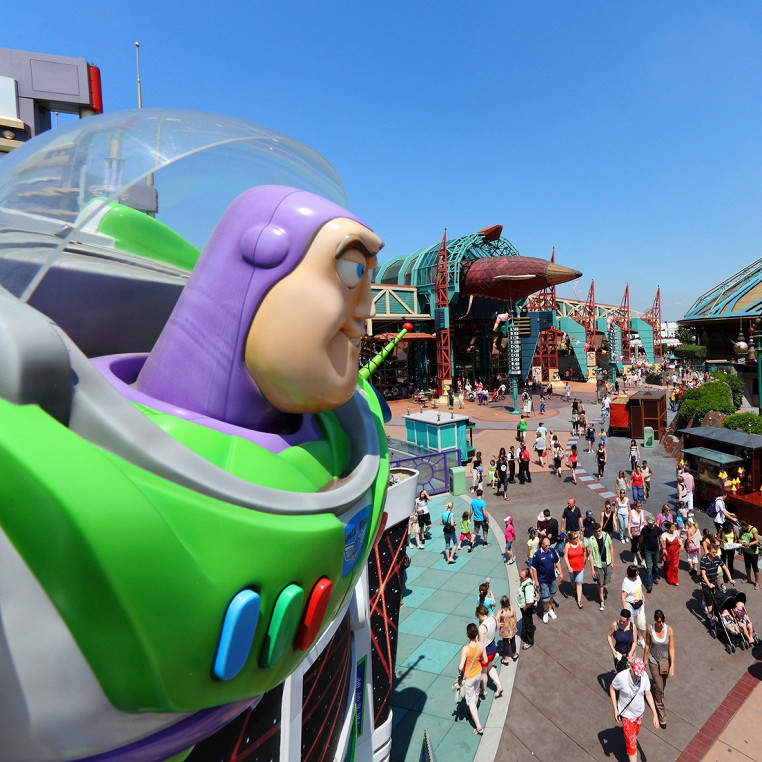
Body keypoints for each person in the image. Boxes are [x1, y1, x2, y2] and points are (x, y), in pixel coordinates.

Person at [609, 657, 659, 762]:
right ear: (631, 667)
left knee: (634, 735)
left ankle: (628, 741)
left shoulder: (644, 676)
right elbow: (612, 688)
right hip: (627, 715)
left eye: (639, 674)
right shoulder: (621, 677)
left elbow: (648, 694)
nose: (638, 676)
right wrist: (615, 709)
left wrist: (654, 714)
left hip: (639, 713)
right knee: (632, 745)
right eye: (636, 673)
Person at [643, 610, 675, 729]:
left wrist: (673, 665)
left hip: (665, 662)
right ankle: (662, 715)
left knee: (662, 685)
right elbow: (647, 644)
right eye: (657, 622)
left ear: (664, 620)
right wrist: (644, 658)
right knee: (659, 688)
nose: (659, 624)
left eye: (661, 622)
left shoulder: (669, 630)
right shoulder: (650, 629)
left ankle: (657, 695)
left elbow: (671, 648)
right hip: (654, 661)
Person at [457, 623, 486, 735]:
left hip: (469, 677)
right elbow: (485, 660)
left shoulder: (466, 649)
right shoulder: (481, 645)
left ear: (468, 634)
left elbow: (461, 666)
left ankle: (478, 726)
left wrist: (460, 671)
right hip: (478, 674)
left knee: (470, 701)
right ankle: (472, 711)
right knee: (476, 693)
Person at [700, 539, 735, 625]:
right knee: (709, 600)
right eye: (713, 552)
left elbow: (725, 568)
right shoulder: (703, 560)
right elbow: (703, 574)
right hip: (706, 583)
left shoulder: (717, 558)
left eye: (716, 552)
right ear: (709, 551)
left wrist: (730, 578)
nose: (715, 554)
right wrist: (708, 584)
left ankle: (703, 603)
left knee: (713, 596)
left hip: (714, 581)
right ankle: (711, 618)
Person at [531, 536, 564, 623]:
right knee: (545, 598)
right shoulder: (537, 555)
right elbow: (534, 568)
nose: (548, 547)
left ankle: (549, 609)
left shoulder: (552, 551)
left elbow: (557, 562)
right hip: (543, 580)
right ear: (542, 545)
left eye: (549, 545)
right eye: (546, 546)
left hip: (552, 578)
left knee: (552, 595)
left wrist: (561, 572)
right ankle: (545, 612)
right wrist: (536, 580)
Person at [476, 605, 504, 699]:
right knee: (490, 667)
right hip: (493, 648)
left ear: (480, 615)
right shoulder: (493, 618)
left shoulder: (481, 628)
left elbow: (481, 645)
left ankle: (484, 690)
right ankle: (499, 685)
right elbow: (497, 627)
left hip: (486, 652)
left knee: (484, 673)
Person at [589, 522, 615, 610]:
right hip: (598, 564)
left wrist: (612, 562)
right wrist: (592, 570)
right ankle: (602, 600)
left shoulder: (606, 536)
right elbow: (590, 556)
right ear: (594, 531)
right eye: (596, 531)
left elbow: (611, 549)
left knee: (605, 581)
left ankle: (601, 590)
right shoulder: (591, 540)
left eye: (599, 530)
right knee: (600, 582)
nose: (598, 533)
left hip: (607, 561)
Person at [621, 565, 647, 648]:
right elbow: (623, 597)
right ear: (632, 573)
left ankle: (640, 639)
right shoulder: (626, 582)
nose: (638, 572)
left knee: (642, 624)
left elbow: (640, 588)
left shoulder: (638, 578)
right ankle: (633, 640)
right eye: (637, 571)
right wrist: (625, 610)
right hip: (630, 607)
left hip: (639, 605)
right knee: (631, 626)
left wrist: (643, 596)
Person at [564, 531, 587, 609]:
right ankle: (574, 589)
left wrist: (584, 560)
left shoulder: (580, 543)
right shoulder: (568, 545)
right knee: (573, 580)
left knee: (579, 582)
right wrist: (569, 566)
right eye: (575, 538)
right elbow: (565, 556)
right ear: (570, 539)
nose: (577, 539)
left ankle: (579, 600)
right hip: (572, 567)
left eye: (577, 537)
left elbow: (584, 551)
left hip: (580, 566)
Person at [639, 515, 661, 593]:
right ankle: (649, 585)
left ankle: (654, 577)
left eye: (651, 523)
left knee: (655, 566)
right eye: (649, 523)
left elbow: (660, 538)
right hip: (647, 550)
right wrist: (640, 546)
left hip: (656, 550)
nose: (650, 525)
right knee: (649, 567)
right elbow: (641, 538)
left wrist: (663, 547)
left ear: (654, 522)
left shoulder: (657, 529)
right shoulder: (644, 529)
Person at [516, 568, 536, 649]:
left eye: (521, 577)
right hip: (524, 606)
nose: (519, 578)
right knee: (526, 622)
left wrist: (525, 607)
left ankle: (530, 641)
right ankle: (526, 635)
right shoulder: (525, 583)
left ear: (526, 577)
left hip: (526, 608)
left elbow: (530, 601)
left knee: (528, 624)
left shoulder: (528, 587)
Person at [739, 518, 760, 589]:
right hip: (745, 551)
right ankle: (748, 578)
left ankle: (757, 583)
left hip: (753, 552)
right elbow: (739, 538)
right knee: (747, 565)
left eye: (744, 528)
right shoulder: (741, 529)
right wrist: (740, 541)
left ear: (747, 526)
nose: (743, 529)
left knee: (755, 567)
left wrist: (749, 544)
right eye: (742, 528)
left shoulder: (754, 529)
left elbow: (757, 540)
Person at [497, 595, 518, 663]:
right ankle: (514, 654)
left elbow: (497, 619)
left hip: (505, 629)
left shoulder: (501, 612)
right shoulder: (512, 609)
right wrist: (515, 625)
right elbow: (515, 618)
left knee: (505, 643)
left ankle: (506, 659)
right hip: (511, 628)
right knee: (513, 641)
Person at [660, 521, 682, 586]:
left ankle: (675, 580)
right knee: (669, 565)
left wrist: (681, 545)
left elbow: (679, 539)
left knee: (675, 566)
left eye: (674, 527)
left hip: (676, 552)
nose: (674, 529)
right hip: (668, 553)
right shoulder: (664, 535)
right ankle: (669, 577)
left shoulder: (676, 533)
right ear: (669, 529)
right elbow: (663, 545)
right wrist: (664, 553)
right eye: (672, 528)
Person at [628, 500, 646, 567]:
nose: (640, 507)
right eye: (638, 506)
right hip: (634, 531)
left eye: (641, 506)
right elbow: (629, 523)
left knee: (643, 546)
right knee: (634, 545)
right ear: (635, 506)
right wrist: (629, 532)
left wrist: (646, 523)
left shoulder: (642, 512)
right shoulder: (631, 512)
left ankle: (643, 560)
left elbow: (644, 520)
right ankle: (635, 557)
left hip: (641, 531)